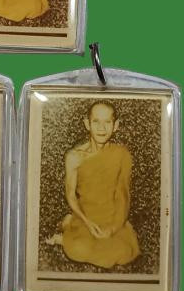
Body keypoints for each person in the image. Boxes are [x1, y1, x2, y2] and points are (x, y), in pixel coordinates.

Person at [47, 102, 140, 268]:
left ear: (116, 125)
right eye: (96, 121)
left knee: (125, 252)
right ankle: (70, 226)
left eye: (107, 122)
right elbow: (70, 195)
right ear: (87, 124)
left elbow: (123, 196)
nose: (101, 128)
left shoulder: (122, 154)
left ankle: (69, 228)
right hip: (85, 215)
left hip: (112, 217)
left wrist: (113, 228)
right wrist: (88, 223)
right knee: (78, 249)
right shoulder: (74, 157)